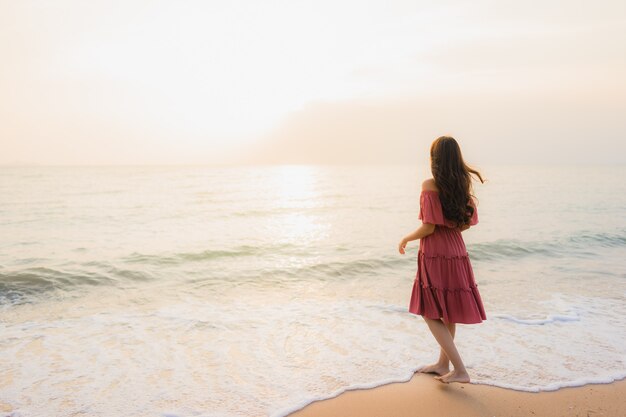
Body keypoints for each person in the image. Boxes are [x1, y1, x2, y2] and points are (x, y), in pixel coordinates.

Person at [398, 136, 486, 384]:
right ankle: (442, 364)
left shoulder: (429, 185)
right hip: (457, 250)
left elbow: (427, 228)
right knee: (448, 311)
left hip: (436, 253)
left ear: (435, 160)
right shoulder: (462, 186)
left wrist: (406, 237)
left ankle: (460, 370)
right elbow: (466, 224)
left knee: (430, 311)